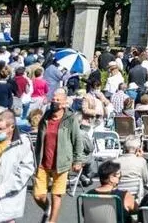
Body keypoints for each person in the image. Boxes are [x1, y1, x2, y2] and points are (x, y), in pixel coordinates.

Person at [32, 88, 86, 223]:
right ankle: (47, 208)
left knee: (56, 194)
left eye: (57, 100)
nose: (54, 102)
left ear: (64, 103)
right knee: (38, 195)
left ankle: (52, 221)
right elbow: (40, 139)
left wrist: (78, 160)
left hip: (61, 161)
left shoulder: (70, 119)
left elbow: (77, 140)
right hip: (43, 161)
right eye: (53, 99)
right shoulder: (46, 116)